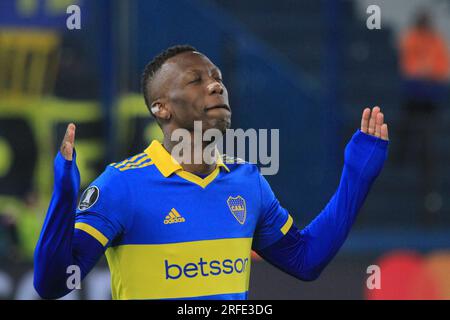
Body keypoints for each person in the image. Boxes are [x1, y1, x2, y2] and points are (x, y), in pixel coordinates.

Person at [34, 45, 389, 300]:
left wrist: (356, 176)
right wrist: (64, 194)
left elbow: (305, 260)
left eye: (217, 78)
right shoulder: (122, 185)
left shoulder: (247, 182)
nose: (216, 85)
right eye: (195, 80)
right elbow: (53, 285)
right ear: (161, 108)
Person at [397, 10, 449, 224]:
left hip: (432, 101)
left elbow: (443, 71)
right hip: (413, 99)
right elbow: (410, 71)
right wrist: (425, 71)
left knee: (428, 139)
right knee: (408, 127)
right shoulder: (411, 38)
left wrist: (428, 71)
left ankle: (429, 190)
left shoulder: (435, 40)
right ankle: (400, 156)